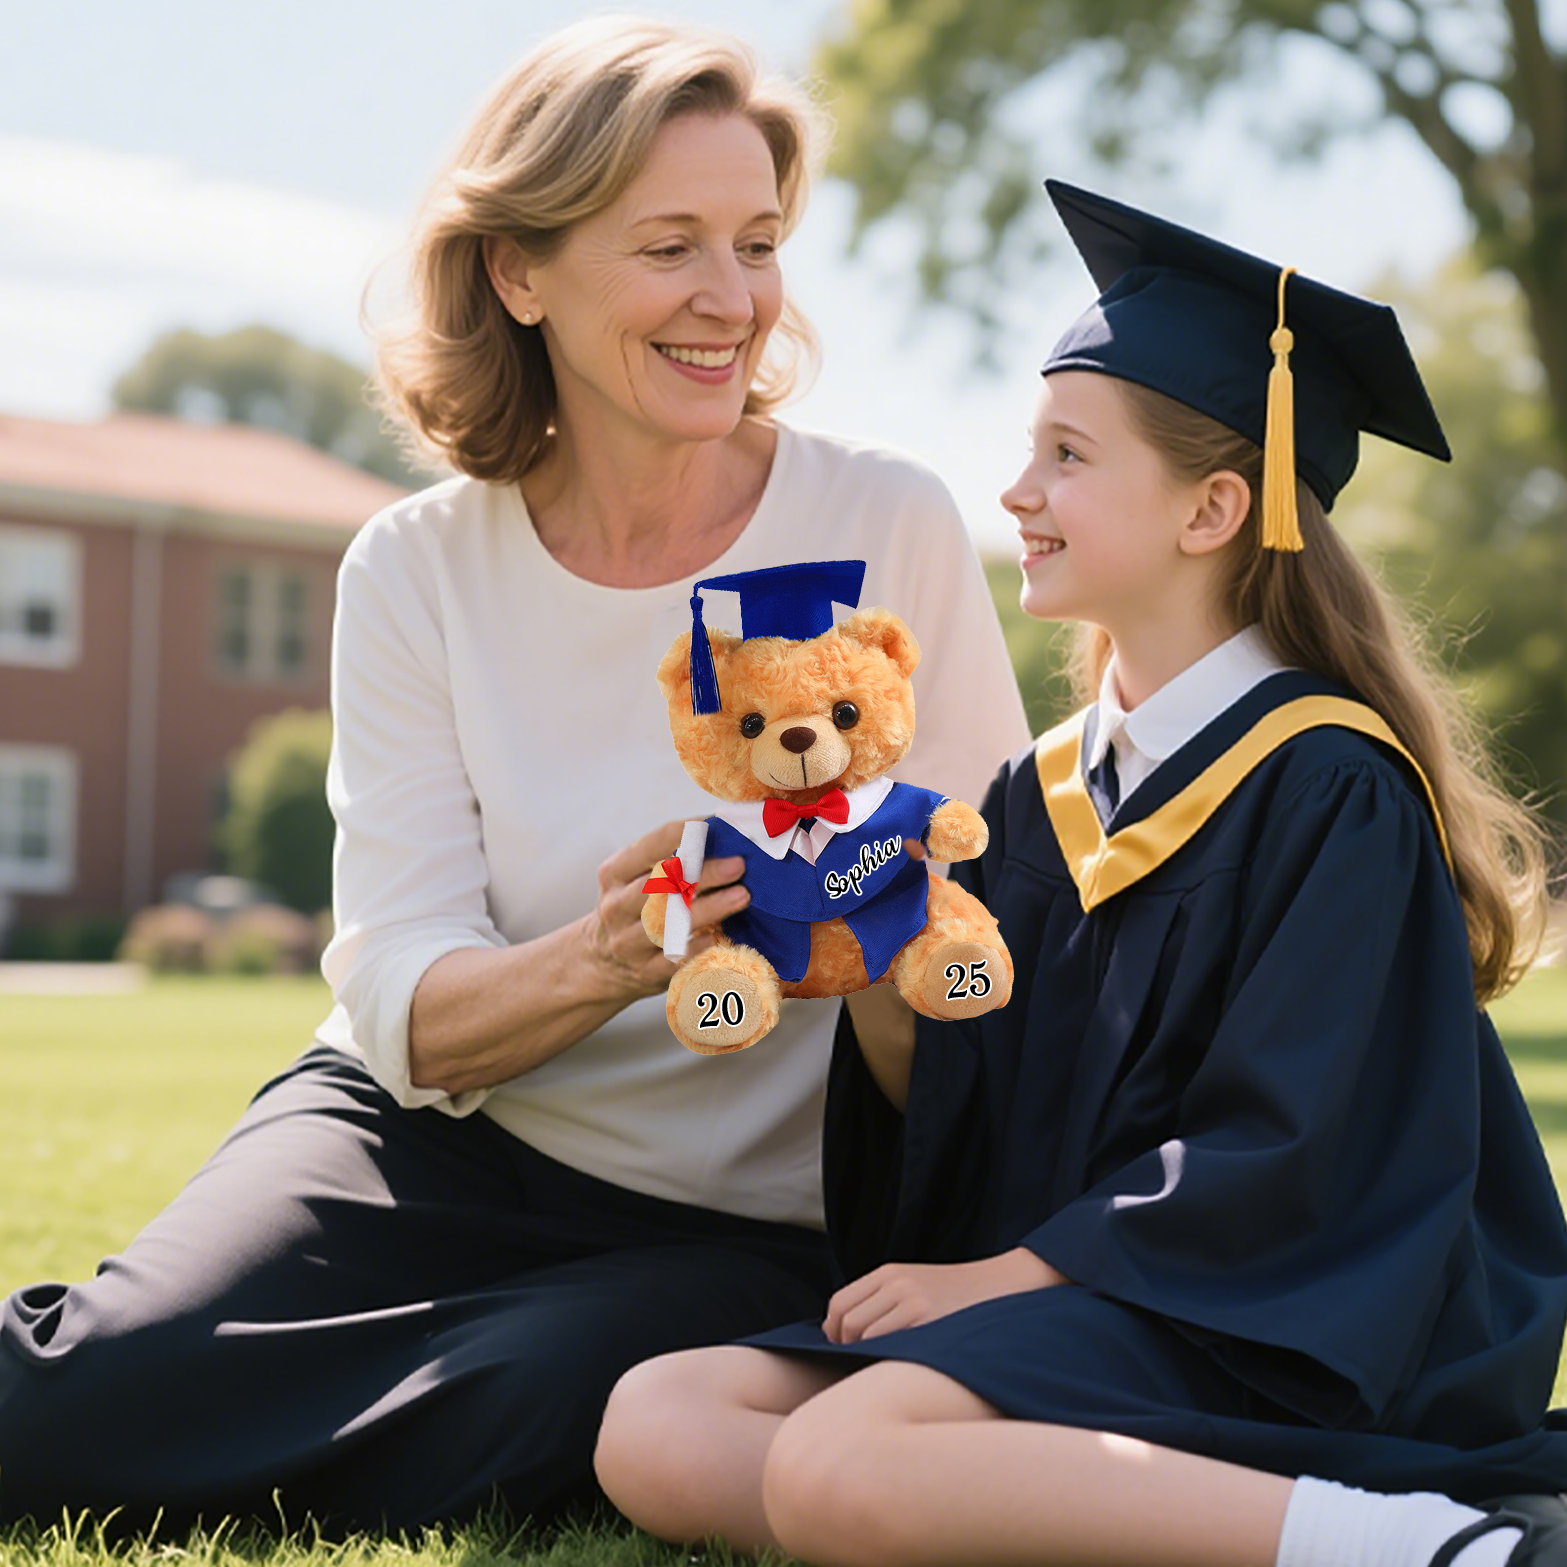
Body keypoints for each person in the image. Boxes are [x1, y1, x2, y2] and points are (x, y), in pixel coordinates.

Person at [0, 19, 1028, 1536]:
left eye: (756, 244)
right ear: (520, 271)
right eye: (667, 244)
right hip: (424, 1134)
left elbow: (1003, 995)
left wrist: (878, 932)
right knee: (83, 1397)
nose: (729, 301)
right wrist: (607, 957)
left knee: (543, 1404)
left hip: (743, 1218)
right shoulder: (416, 568)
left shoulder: (889, 520)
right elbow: (407, 997)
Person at [593, 182, 1567, 1567]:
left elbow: (1293, 1159)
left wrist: (1003, 1280)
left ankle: (1430, 1546)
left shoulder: (1326, 783)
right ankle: (1107, 1520)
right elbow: (965, 1111)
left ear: (1212, 507)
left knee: (839, 1459)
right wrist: (864, 954)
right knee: (663, 1418)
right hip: (1086, 1315)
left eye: (1066, 455)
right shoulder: (1030, 798)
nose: (1018, 492)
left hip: (1262, 1328)